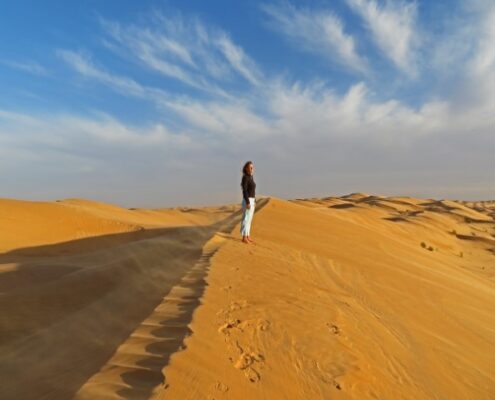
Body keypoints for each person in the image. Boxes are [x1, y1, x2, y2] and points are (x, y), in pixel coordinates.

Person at [240, 161, 256, 244]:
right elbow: (245, 191)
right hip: (248, 200)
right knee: (246, 219)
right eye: (250, 167)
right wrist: (248, 202)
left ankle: (247, 235)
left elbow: (252, 190)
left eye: (252, 167)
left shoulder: (251, 177)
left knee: (249, 220)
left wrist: (254, 201)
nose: (252, 169)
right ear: (246, 168)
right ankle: (244, 237)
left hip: (252, 200)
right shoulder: (245, 177)